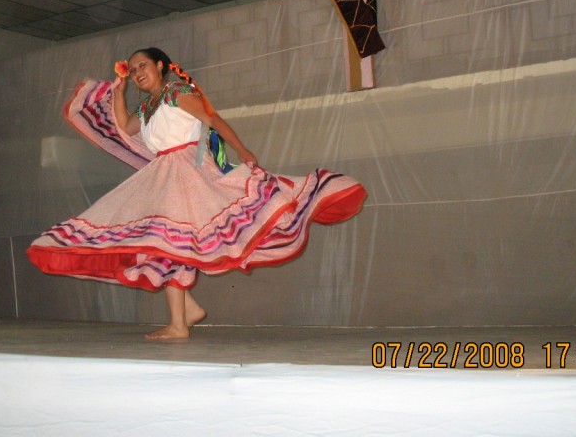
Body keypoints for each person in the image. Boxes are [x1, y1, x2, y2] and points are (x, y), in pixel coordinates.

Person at [28, 48, 367, 340]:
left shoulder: (176, 93)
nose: (136, 74)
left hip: (187, 168)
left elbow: (212, 119)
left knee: (173, 240)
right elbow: (124, 125)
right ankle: (185, 313)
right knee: (165, 242)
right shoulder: (147, 108)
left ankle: (181, 320)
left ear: (161, 65)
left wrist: (242, 149)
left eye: (141, 66)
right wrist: (117, 90)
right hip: (164, 173)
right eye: (132, 71)